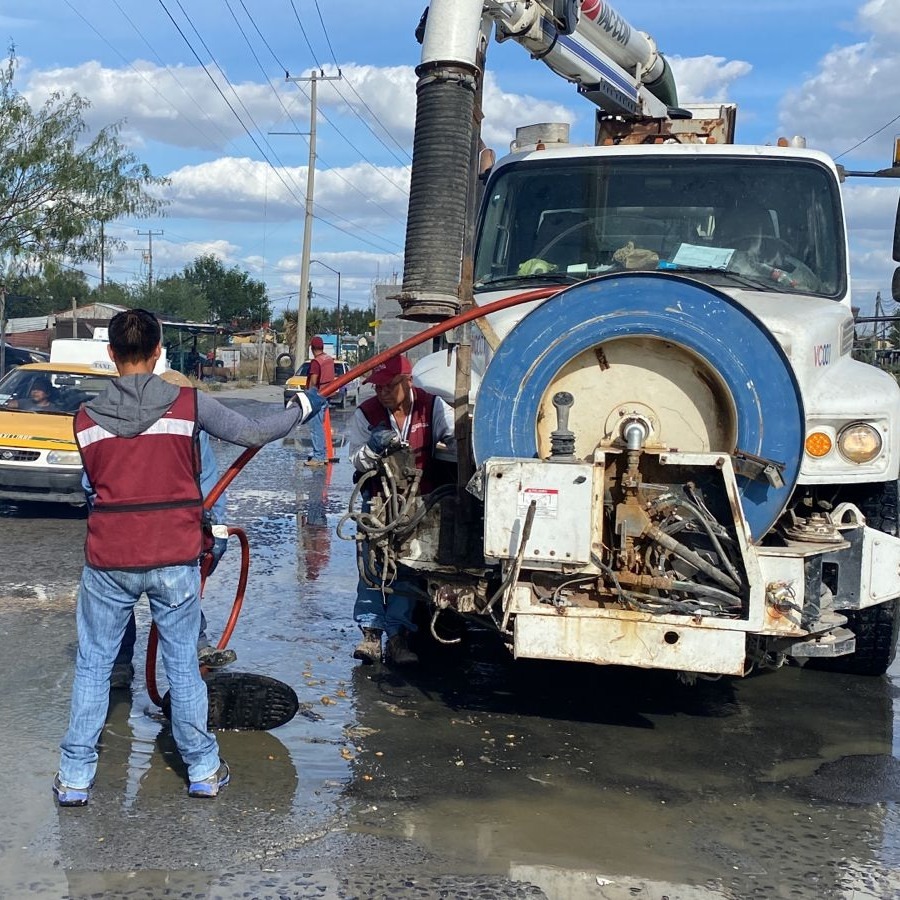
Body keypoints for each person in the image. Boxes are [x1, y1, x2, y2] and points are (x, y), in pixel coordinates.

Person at [54, 308, 324, 807]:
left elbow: (90, 490)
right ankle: (202, 769)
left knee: (93, 666)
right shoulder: (188, 405)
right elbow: (254, 433)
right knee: (181, 665)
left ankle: (74, 778)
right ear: (158, 353)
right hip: (173, 557)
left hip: (108, 559)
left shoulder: (84, 419)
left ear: (111, 354)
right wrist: (303, 409)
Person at [106, 368, 235, 689]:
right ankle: (121, 661)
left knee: (183, 589)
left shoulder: (192, 429)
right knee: (121, 600)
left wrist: (214, 528)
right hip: (127, 533)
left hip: (171, 532)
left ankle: (197, 648)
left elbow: (208, 481)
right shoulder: (125, 423)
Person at [347, 354, 454, 666]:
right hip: (377, 501)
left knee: (407, 568)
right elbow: (354, 460)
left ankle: (398, 637)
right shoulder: (366, 413)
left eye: (388, 386)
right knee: (371, 566)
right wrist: (373, 448)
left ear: (407, 382)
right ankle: (370, 635)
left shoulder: (431, 406)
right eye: (377, 386)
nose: (381, 392)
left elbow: (454, 441)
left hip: (419, 503)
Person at [305, 335, 335, 467]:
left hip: (317, 396)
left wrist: (309, 395)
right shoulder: (328, 359)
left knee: (315, 427)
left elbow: (313, 381)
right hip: (327, 394)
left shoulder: (316, 362)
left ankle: (318, 457)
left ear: (312, 348)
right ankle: (322, 454)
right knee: (321, 427)